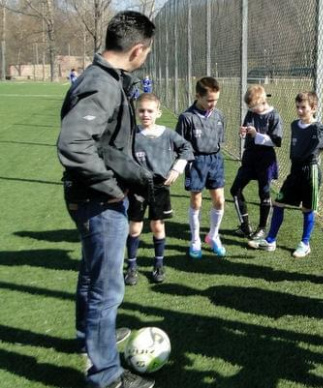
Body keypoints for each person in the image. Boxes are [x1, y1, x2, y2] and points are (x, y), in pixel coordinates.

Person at [57, 10, 156, 388]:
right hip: (97, 201)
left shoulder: (106, 78)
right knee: (107, 289)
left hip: (89, 197)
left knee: (92, 273)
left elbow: (101, 143)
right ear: (136, 50)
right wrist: (112, 189)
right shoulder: (102, 84)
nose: (145, 56)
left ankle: (90, 337)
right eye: (146, 51)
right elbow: (74, 144)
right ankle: (107, 375)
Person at [248, 91, 323, 257]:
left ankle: (305, 243)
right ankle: (270, 240)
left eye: (304, 108)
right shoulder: (294, 125)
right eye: (298, 107)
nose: (300, 111)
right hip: (295, 171)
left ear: (313, 108)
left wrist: (321, 148)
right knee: (278, 202)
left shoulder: (318, 128)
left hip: (310, 172)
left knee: (307, 209)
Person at [124, 93, 194, 285]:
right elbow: (121, 157)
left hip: (160, 187)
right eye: (141, 110)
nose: (145, 114)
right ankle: (131, 267)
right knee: (135, 227)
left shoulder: (168, 134)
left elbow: (187, 149)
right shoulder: (132, 135)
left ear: (158, 113)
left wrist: (177, 169)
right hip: (137, 187)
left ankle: (158, 264)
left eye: (150, 111)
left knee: (157, 226)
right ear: (136, 112)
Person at [176, 77, 227, 258]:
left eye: (216, 100)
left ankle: (214, 235)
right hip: (195, 161)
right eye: (209, 100)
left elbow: (220, 140)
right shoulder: (186, 118)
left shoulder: (219, 116)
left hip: (215, 160)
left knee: (220, 200)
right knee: (196, 201)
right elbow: (180, 144)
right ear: (198, 95)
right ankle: (195, 239)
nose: (213, 104)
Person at [230, 84, 283, 240]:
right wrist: (243, 132)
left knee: (264, 193)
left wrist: (257, 135)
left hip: (265, 159)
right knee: (235, 190)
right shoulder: (251, 112)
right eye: (249, 107)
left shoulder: (274, 116)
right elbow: (247, 130)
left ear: (262, 101)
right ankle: (245, 225)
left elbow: (276, 141)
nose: (251, 110)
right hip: (250, 157)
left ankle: (261, 228)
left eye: (253, 106)